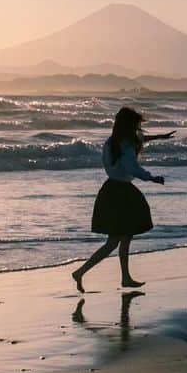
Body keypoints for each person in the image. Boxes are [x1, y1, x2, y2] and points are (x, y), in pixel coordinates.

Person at [72, 107, 168, 292]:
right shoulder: (126, 144)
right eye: (137, 124)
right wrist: (152, 177)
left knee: (125, 236)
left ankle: (125, 277)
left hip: (111, 190)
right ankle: (81, 272)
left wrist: (159, 137)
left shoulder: (112, 142)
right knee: (115, 240)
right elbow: (132, 167)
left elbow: (137, 142)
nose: (139, 127)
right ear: (130, 125)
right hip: (121, 193)